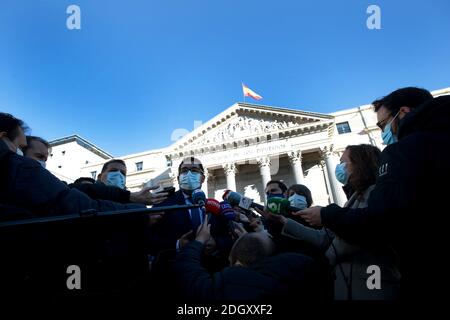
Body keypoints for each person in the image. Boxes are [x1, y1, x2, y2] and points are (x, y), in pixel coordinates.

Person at [297, 88, 450, 301]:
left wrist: (327, 215)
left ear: (403, 113)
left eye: (382, 125)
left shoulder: (402, 154)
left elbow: (379, 223)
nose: (383, 133)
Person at [275, 144, 400, 299]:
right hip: (347, 284)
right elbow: (323, 237)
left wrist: (327, 253)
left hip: (373, 280)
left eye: (343, 162)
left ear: (360, 163)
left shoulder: (375, 194)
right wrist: (283, 221)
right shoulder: (353, 198)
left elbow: (362, 232)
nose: (339, 168)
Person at [174, 215, 329, 301]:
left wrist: (199, 240)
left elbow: (188, 271)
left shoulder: (223, 289)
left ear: (233, 261)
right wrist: (255, 238)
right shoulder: (305, 279)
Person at [70, 159, 168, 206]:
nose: (118, 175)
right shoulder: (84, 191)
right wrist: (130, 196)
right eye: (113, 170)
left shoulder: (135, 203)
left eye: (123, 173)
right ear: (100, 177)